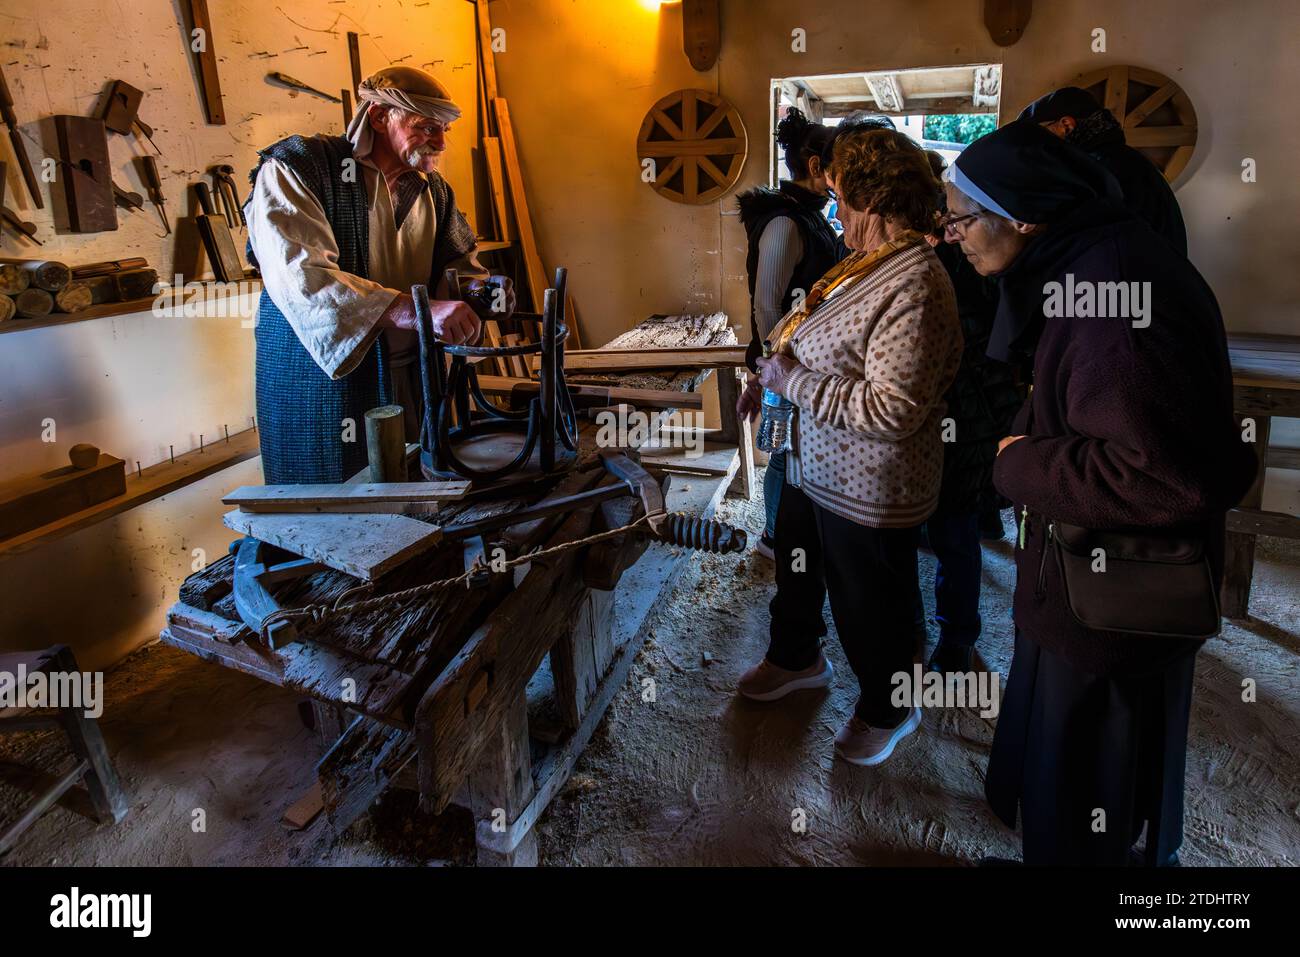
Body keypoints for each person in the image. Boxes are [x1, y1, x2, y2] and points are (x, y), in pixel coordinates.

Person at [942, 120, 1256, 865]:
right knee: (1080, 783)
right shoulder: (1096, 261)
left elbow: (1158, 476)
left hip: (1112, 607)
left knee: (1087, 786)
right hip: (1095, 587)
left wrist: (1017, 463)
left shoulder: (1111, 298)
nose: (950, 235)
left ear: (1019, 216)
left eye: (958, 218)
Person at [735, 127, 962, 766]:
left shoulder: (915, 281)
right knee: (797, 565)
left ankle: (892, 705)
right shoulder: (866, 261)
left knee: (873, 601)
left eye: (842, 197)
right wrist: (767, 376)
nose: (835, 211)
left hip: (868, 481)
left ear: (876, 200)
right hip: (813, 463)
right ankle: (796, 657)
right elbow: (805, 320)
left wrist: (792, 381)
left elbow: (891, 410)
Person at [246, 66, 515, 483]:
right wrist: (414, 312)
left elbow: (458, 265)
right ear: (378, 116)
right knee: (336, 514)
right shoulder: (298, 169)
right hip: (326, 388)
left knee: (417, 496)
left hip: (413, 378)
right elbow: (305, 278)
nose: (440, 142)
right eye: (426, 127)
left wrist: (482, 289)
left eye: (443, 129)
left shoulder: (433, 190)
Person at [918, 151, 1023, 675]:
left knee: (952, 526)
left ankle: (957, 640)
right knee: (957, 524)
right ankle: (956, 637)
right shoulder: (956, 252)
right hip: (977, 402)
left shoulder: (955, 258)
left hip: (967, 404)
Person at [737, 109, 841, 561]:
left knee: (797, 450)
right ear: (816, 166)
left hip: (801, 363)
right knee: (781, 451)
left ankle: (790, 529)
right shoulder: (784, 222)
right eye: (837, 166)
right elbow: (766, 304)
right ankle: (773, 539)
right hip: (784, 362)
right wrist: (769, 368)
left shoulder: (809, 215)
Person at [1019, 86, 1187, 256]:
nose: (1039, 146)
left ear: (1066, 126)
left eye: (1040, 135)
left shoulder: (1103, 169)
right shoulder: (1119, 159)